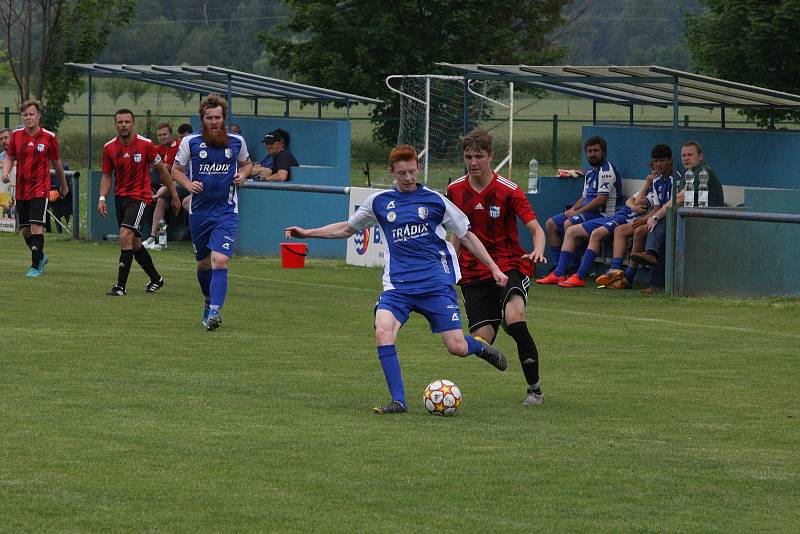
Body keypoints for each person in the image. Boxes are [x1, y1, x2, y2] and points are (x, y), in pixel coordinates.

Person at [285, 144, 510, 415]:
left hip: (435, 284)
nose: (408, 178)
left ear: (418, 168)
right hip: (398, 287)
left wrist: (494, 268)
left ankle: (480, 349)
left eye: (412, 172)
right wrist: (308, 233)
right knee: (383, 331)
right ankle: (398, 401)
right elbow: (346, 228)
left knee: (457, 347)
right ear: (392, 171)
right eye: (402, 173)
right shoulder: (379, 203)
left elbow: (466, 235)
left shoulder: (435, 200)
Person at [446, 128, 547, 406]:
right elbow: (458, 233)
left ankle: (534, 390)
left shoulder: (509, 190)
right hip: (473, 271)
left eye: (479, 156)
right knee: (481, 339)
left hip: (509, 264)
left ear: (491, 156)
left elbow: (537, 230)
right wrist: (449, 266)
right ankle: (493, 334)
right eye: (468, 156)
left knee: (515, 321)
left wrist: (537, 250)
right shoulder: (455, 191)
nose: (473, 162)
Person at [171, 94, 252, 330]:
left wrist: (243, 175)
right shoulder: (191, 142)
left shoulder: (237, 141)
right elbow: (176, 170)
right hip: (199, 213)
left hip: (227, 212)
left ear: (224, 118)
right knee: (204, 264)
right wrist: (188, 185)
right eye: (209, 118)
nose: (214, 122)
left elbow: (247, 164)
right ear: (202, 119)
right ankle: (208, 301)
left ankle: (215, 311)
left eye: (218, 118)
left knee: (220, 260)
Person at [99, 109, 178, 296]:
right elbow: (106, 176)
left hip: (140, 198)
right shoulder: (109, 148)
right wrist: (102, 198)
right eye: (120, 122)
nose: (124, 125)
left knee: (125, 235)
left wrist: (174, 195)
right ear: (115, 124)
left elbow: (162, 171)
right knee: (134, 243)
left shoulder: (146, 145)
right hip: (120, 198)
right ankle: (156, 279)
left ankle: (120, 287)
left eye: (127, 122)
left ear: (133, 124)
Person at [631, 140, 724, 294]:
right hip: (692, 219)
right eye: (683, 155)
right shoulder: (688, 174)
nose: (686, 158)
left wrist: (655, 217)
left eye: (690, 155)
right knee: (664, 231)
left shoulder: (703, 171)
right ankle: (655, 280)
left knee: (661, 222)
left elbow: (679, 198)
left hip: (709, 222)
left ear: (701, 156)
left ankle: (651, 258)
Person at [537, 136, 622, 284]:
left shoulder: (606, 171)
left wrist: (576, 213)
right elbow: (584, 197)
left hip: (603, 214)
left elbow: (600, 199)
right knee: (550, 224)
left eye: (596, 150)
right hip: (588, 213)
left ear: (604, 152)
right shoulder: (590, 173)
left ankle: (571, 268)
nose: (592, 154)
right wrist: (573, 209)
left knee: (569, 224)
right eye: (589, 151)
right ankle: (558, 266)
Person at [597, 145, 680, 289]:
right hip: (654, 216)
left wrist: (646, 219)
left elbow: (670, 206)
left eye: (662, 161)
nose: (659, 164)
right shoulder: (657, 181)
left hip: (669, 219)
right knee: (625, 230)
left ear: (670, 161)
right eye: (656, 161)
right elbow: (656, 207)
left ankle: (628, 276)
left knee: (640, 231)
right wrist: (647, 217)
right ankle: (616, 271)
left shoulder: (676, 179)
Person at [1, 100, 68, 277]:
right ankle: (40, 256)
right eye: (25, 115)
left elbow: (57, 163)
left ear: (38, 116)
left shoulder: (49, 137)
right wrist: (6, 172)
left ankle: (35, 266)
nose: (28, 117)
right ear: (22, 116)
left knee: (36, 226)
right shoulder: (16, 135)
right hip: (22, 190)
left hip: (40, 189)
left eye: (31, 114)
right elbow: (9, 157)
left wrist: (64, 185)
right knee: (25, 230)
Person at [142, 122, 187, 249]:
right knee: (161, 200)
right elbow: (149, 160)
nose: (162, 137)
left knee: (164, 190)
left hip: (184, 183)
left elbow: (166, 168)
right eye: (160, 135)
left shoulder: (177, 146)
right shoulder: (160, 148)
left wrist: (157, 165)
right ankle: (152, 237)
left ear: (171, 135)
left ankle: (153, 197)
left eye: (164, 134)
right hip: (170, 185)